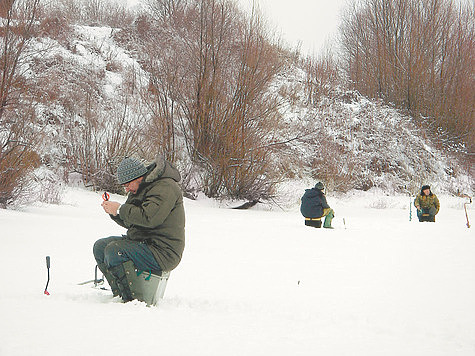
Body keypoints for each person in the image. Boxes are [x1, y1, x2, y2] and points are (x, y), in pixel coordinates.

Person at [93, 155, 185, 302]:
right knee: (100, 246)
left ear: (138, 177)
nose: (127, 189)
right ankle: (120, 293)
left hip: (163, 250)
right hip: (145, 243)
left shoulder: (165, 187)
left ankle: (133, 301)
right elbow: (133, 222)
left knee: (114, 250)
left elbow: (149, 218)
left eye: (128, 185)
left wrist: (121, 209)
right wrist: (115, 213)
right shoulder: (140, 189)